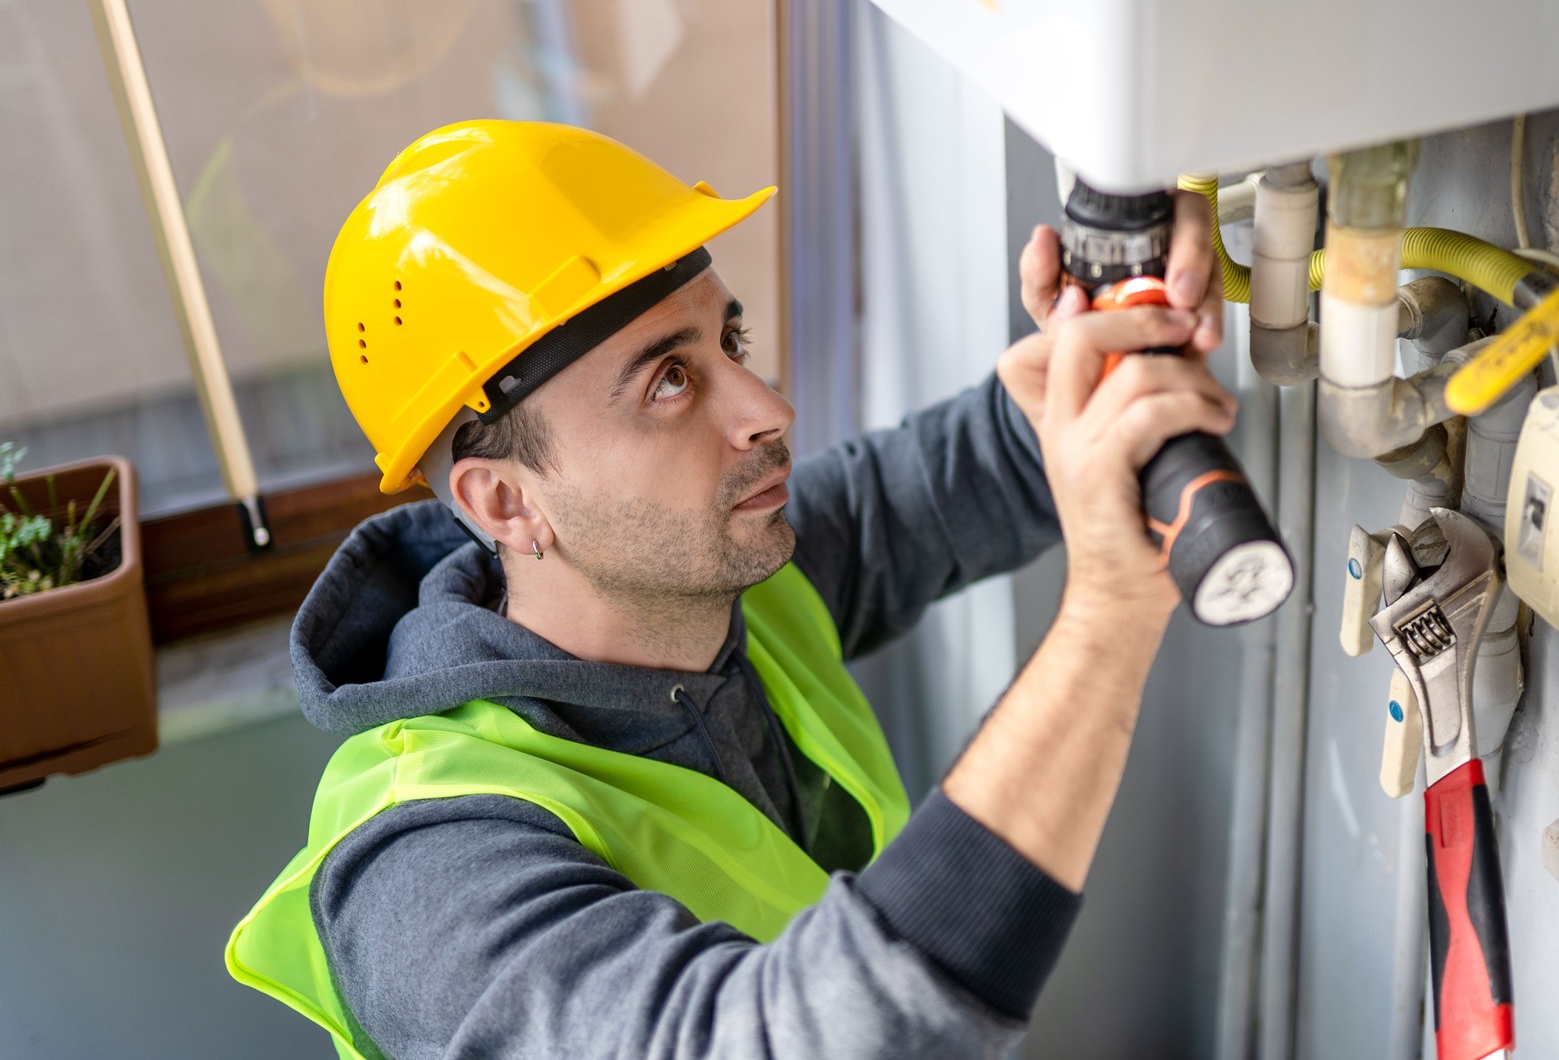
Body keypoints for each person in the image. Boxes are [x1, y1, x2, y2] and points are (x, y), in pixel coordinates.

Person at [227, 120, 1234, 1058]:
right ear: (504, 501)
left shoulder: (717, 574)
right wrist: (1107, 616)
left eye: (729, 345)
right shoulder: (430, 873)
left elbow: (953, 479)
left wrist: (1109, 330)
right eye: (670, 380)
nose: (768, 409)